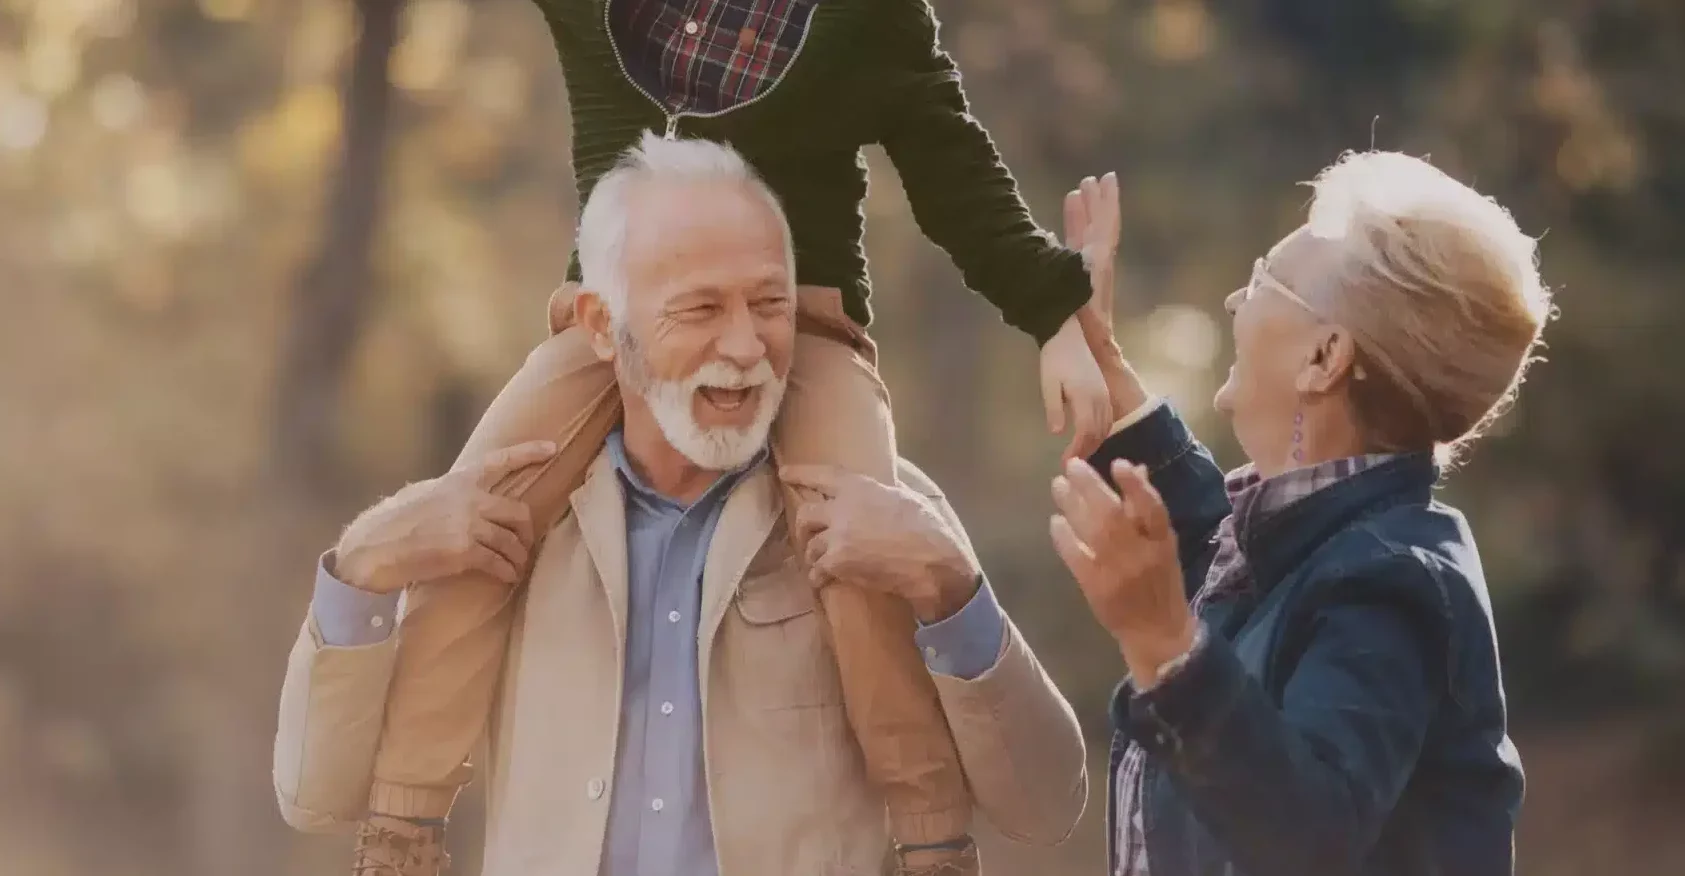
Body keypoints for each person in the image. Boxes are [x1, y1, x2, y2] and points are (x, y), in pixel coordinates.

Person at [348, 2, 1119, 870]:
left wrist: (1054, 312)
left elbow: (950, 165)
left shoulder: (868, 19)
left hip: (804, 324)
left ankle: (929, 835)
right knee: (474, 516)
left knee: (856, 554)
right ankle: (402, 826)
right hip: (618, 320)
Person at [1054, 151, 1540, 876]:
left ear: (1324, 357)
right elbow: (1199, 529)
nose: (1233, 302)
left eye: (1261, 281)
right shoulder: (1293, 550)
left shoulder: (1390, 585)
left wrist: (1165, 644)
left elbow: (1307, 834)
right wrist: (1094, 344)